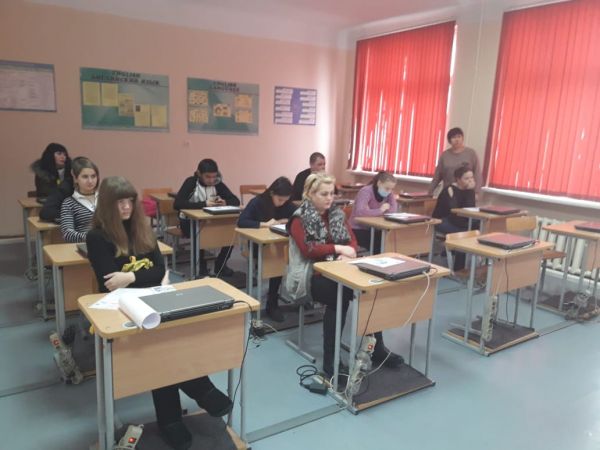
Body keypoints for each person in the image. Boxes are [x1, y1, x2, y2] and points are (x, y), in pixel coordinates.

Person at [87, 176, 232, 450]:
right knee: (159, 348)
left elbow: (159, 270)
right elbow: (109, 282)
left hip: (153, 299)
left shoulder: (142, 228)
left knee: (169, 342)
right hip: (122, 308)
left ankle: (173, 418)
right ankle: (198, 391)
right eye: (119, 202)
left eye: (130, 201)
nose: (126, 207)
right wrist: (142, 278)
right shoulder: (97, 237)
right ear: (107, 204)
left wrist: (130, 277)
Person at [286, 173, 403, 381]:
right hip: (310, 275)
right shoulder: (299, 218)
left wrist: (346, 252)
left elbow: (352, 241)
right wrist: (338, 248)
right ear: (309, 194)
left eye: (331, 193)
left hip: (340, 269)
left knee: (370, 288)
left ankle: (377, 348)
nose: (329, 198)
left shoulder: (336, 214)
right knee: (337, 296)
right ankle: (331, 362)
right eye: (323, 194)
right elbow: (309, 250)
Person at [237, 176, 296, 322]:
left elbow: (298, 216)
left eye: (285, 200)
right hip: (258, 246)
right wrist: (265, 224)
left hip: (279, 246)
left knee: (280, 258)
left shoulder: (287, 204)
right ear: (271, 193)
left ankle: (277, 299)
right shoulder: (257, 202)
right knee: (276, 260)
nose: (282, 203)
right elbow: (242, 221)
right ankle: (272, 302)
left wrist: (287, 221)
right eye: (280, 199)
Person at [174, 159, 240, 277]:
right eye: (207, 177)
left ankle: (221, 264)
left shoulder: (217, 183)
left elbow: (235, 200)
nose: (211, 180)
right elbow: (177, 204)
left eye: (214, 176)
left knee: (231, 233)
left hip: (210, 221)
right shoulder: (191, 182)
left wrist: (225, 202)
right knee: (199, 233)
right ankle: (201, 266)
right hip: (189, 221)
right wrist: (204, 204)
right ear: (199, 173)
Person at [432, 164, 477, 271]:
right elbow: (454, 211)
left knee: (476, 228)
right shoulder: (449, 190)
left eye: (471, 177)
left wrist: (470, 191)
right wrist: (469, 192)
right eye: (466, 178)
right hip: (441, 220)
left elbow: (469, 209)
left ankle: (454, 254)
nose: (470, 180)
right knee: (465, 234)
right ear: (458, 179)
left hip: (459, 220)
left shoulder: (469, 190)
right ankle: (459, 268)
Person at [349, 171, 398, 253]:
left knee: (389, 240)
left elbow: (393, 209)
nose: (389, 191)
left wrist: (371, 212)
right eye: (387, 188)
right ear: (379, 183)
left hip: (375, 227)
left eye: (391, 189)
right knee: (379, 244)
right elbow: (360, 212)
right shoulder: (365, 191)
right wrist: (380, 210)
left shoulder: (388, 192)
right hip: (358, 228)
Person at [428, 128, 481, 195]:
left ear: (462, 138)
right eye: (453, 137)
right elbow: (437, 176)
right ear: (449, 140)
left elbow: (477, 174)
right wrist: (429, 192)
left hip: (467, 193)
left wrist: (476, 192)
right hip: (449, 192)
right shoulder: (445, 155)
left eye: (459, 136)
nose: (457, 140)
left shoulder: (471, 153)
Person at [59, 157, 99, 243]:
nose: (90, 181)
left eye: (93, 176)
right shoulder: (68, 203)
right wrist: (92, 237)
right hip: (84, 245)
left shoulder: (105, 198)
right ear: (76, 178)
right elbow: (68, 234)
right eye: (85, 177)